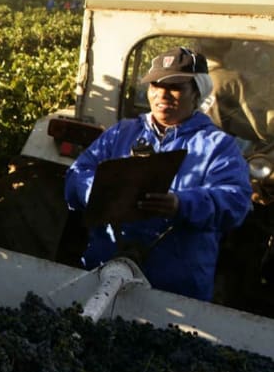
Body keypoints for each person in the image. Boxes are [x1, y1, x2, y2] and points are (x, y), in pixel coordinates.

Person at [64, 47, 252, 301]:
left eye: (176, 88)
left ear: (197, 93)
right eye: (155, 85)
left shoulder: (218, 146)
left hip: (175, 286)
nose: (162, 95)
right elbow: (77, 174)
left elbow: (236, 202)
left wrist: (182, 204)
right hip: (103, 272)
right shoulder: (121, 133)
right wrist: (99, 190)